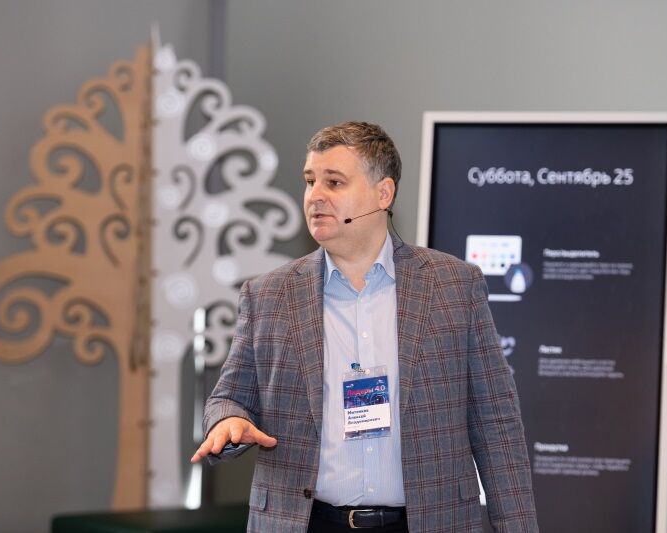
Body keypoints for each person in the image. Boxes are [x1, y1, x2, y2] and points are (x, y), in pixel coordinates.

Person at [191, 121, 538, 532]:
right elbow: (228, 397)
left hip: (428, 521)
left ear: (383, 193)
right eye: (310, 181)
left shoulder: (454, 286)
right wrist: (227, 421)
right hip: (306, 522)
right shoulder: (268, 295)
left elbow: (497, 425)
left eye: (334, 182)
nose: (315, 196)